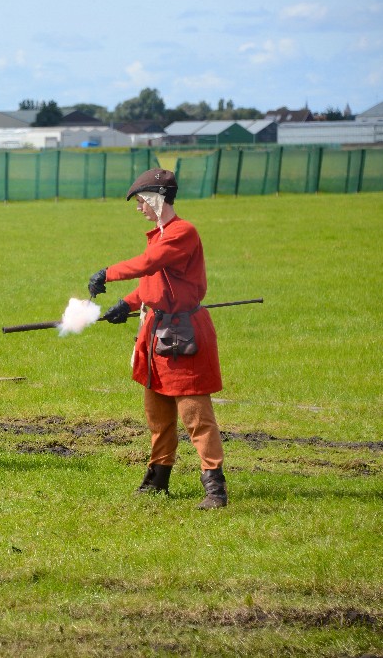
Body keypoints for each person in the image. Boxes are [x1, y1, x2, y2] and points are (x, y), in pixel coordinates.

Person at [87, 168, 228, 509]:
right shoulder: (161, 234)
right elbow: (155, 281)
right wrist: (128, 303)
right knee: (158, 415)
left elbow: (150, 262)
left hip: (186, 336)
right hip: (156, 336)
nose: (139, 209)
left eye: (140, 202)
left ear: (155, 199)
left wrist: (108, 273)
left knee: (197, 417)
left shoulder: (182, 233)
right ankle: (158, 480)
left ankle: (215, 488)